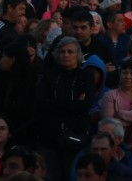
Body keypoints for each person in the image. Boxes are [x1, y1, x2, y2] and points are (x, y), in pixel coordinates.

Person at [34, 37, 96, 181]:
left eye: (70, 51)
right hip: (49, 137)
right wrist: (73, 104)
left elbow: (85, 106)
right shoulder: (48, 76)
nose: (66, 55)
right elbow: (41, 104)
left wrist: (54, 103)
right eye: (62, 52)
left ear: (78, 55)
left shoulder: (86, 76)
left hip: (75, 136)